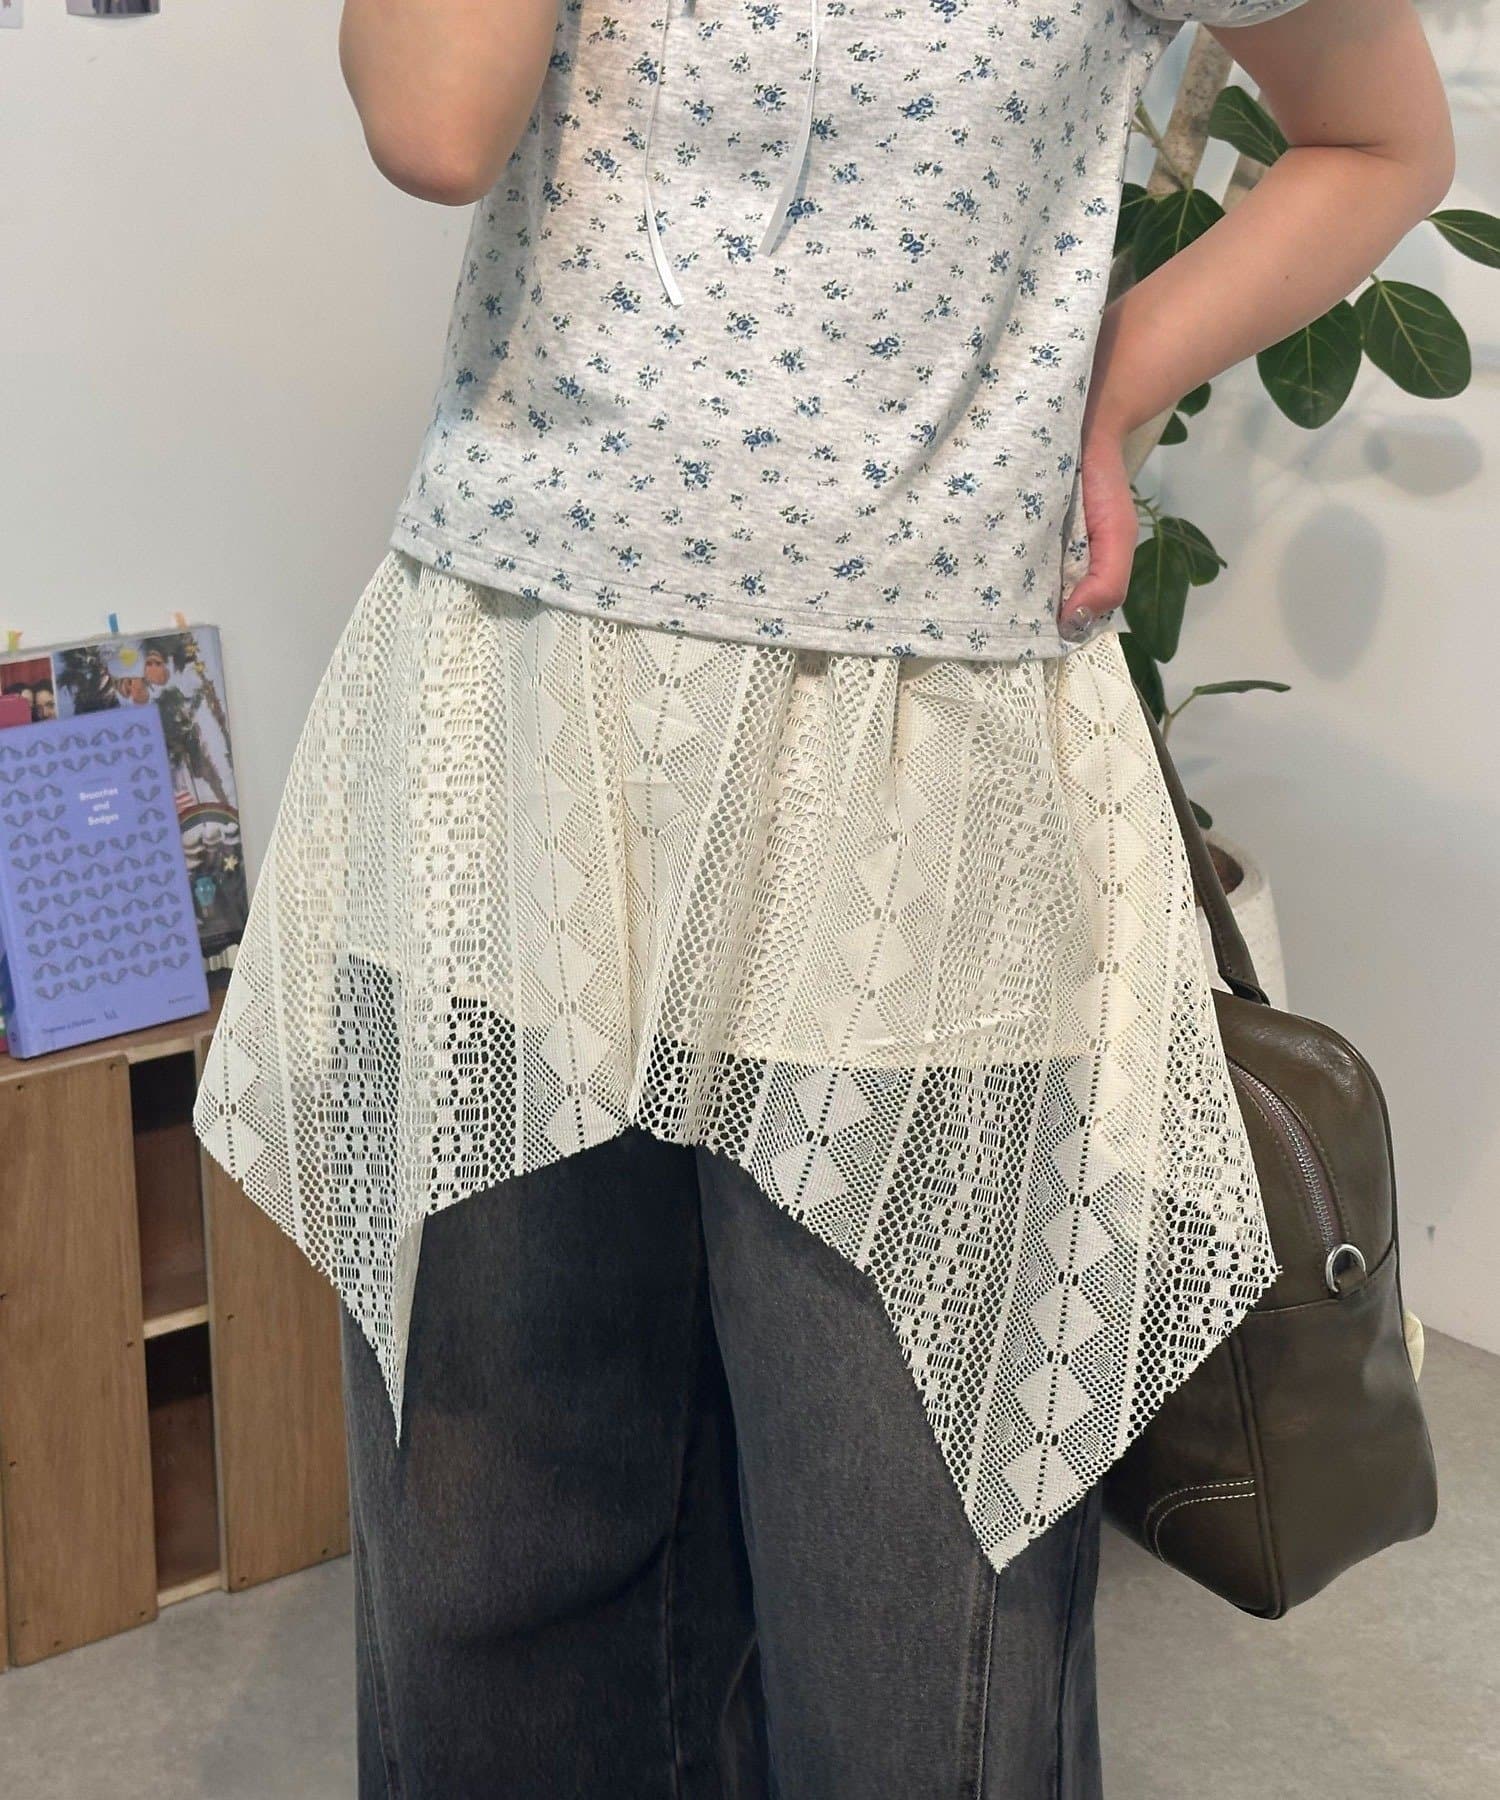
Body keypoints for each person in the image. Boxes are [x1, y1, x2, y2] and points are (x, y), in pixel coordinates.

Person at [192, 2, 1453, 1793]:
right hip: (516, 739)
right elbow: (435, 122)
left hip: (923, 795)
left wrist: (1108, 380)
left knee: (917, 1654)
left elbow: (1384, 139)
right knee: (493, 1607)